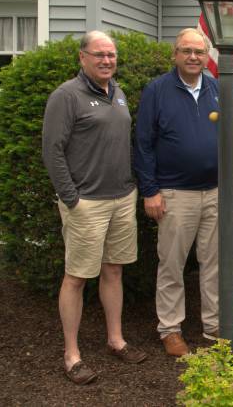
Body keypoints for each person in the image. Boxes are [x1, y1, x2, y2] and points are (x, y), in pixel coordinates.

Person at [42, 30, 147, 384]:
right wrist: (72, 198)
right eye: (99, 55)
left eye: (111, 55)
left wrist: (129, 188)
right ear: (82, 58)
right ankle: (71, 355)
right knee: (76, 278)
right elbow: (52, 152)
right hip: (86, 203)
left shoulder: (118, 94)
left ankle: (115, 340)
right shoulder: (66, 96)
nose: (107, 61)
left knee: (114, 270)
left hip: (121, 198)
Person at [134, 28, 233, 357]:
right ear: (175, 55)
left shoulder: (217, 87)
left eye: (198, 51)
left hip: (216, 193)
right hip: (175, 193)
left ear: (206, 54)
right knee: (172, 264)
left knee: (215, 263)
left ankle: (214, 326)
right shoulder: (157, 90)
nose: (193, 57)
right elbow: (143, 144)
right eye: (186, 51)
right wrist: (150, 190)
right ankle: (170, 329)